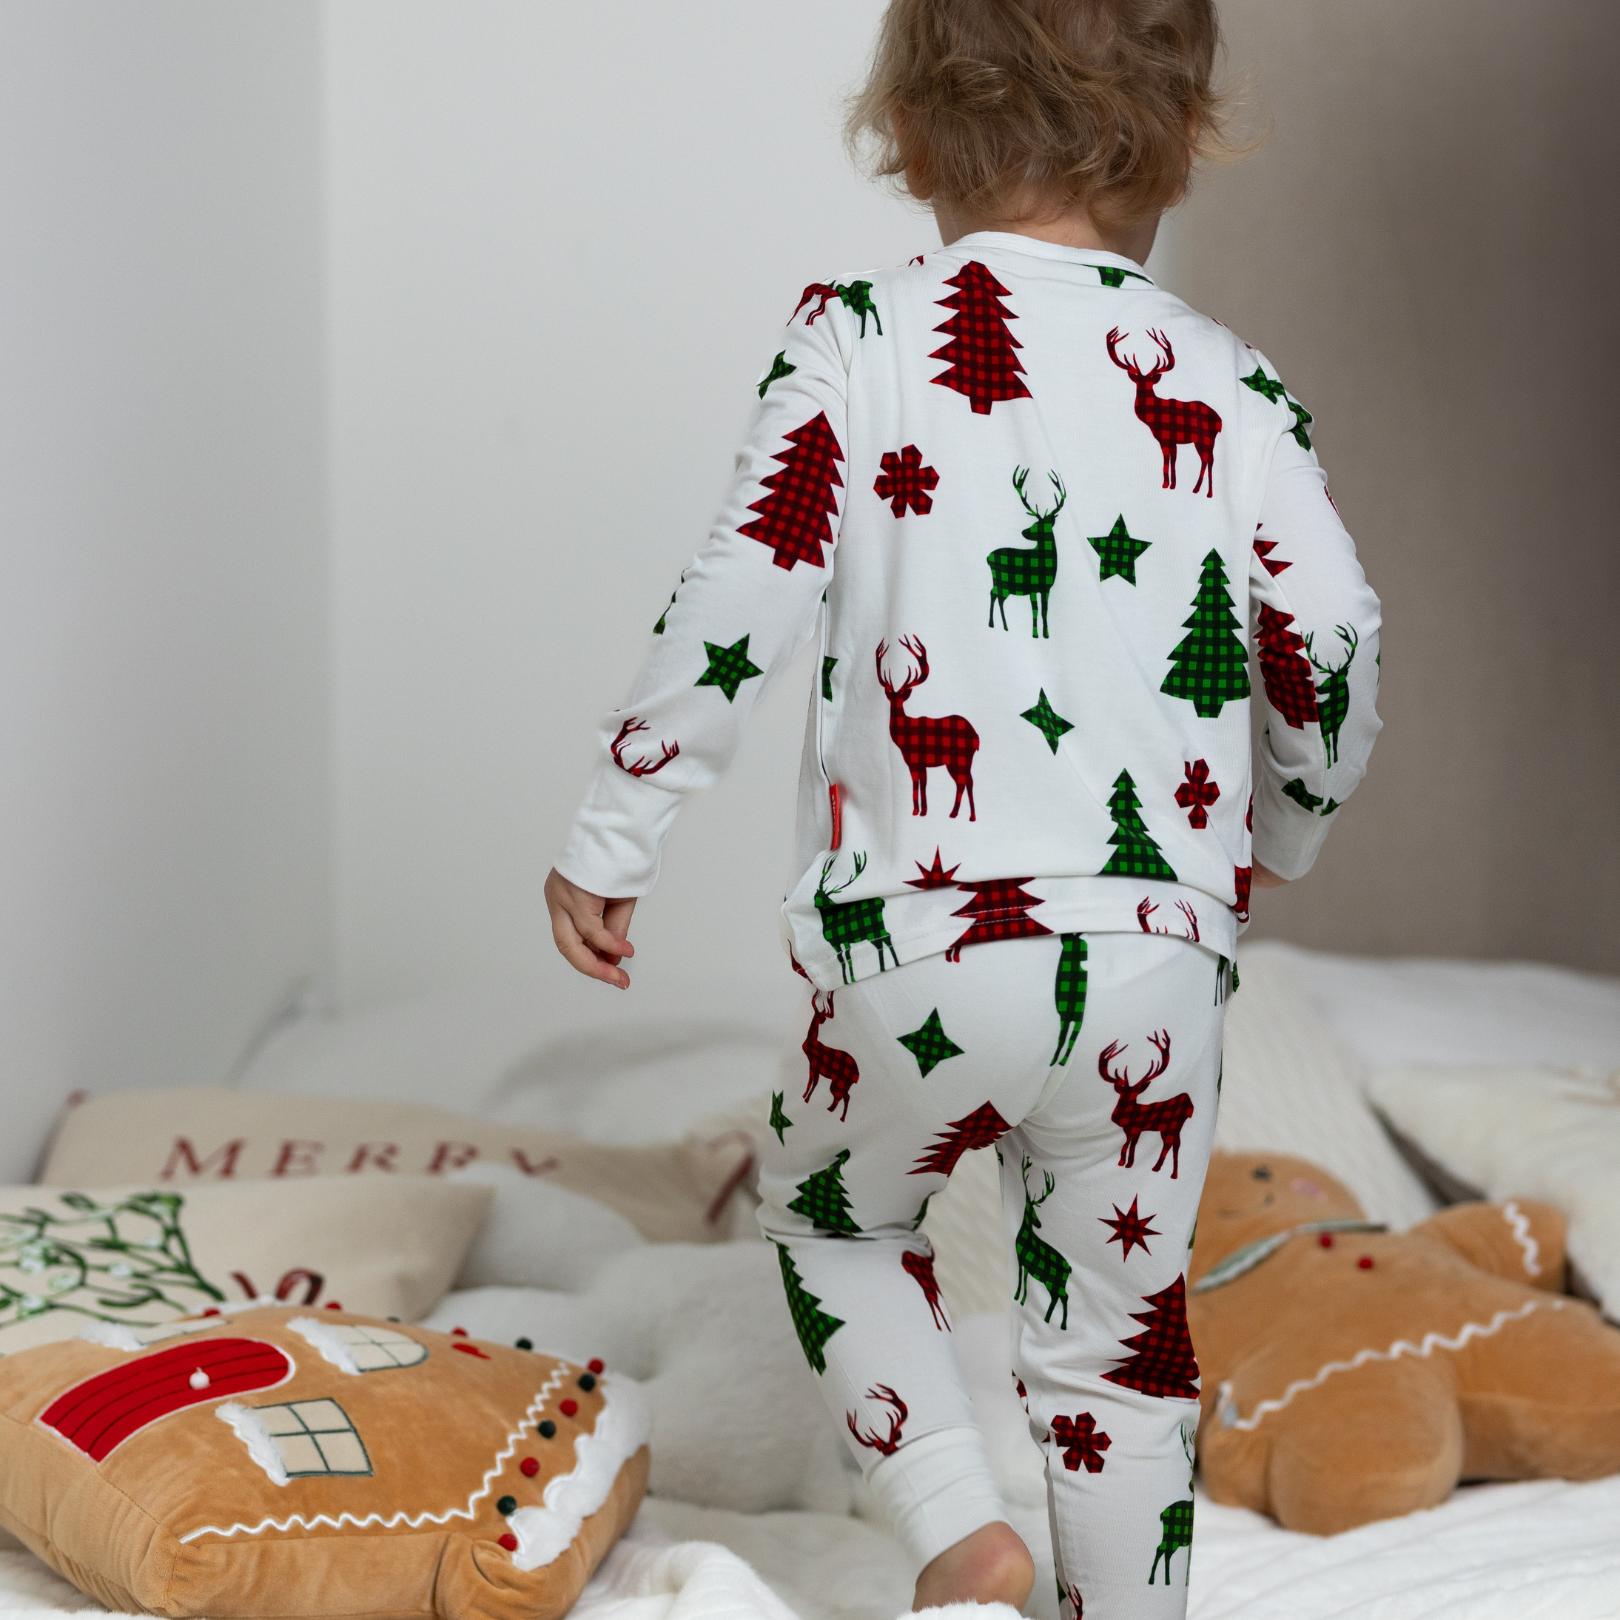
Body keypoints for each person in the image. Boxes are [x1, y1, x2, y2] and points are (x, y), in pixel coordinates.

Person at [547, 2, 1381, 1613]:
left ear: (912, 139)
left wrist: (616, 828)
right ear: (1184, 146)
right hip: (1152, 957)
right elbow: (1333, 634)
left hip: (911, 948)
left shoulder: (859, 336)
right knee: (1121, 1354)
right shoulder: (1233, 387)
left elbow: (741, 593)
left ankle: (959, 1534)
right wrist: (1279, 833)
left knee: (832, 1214)